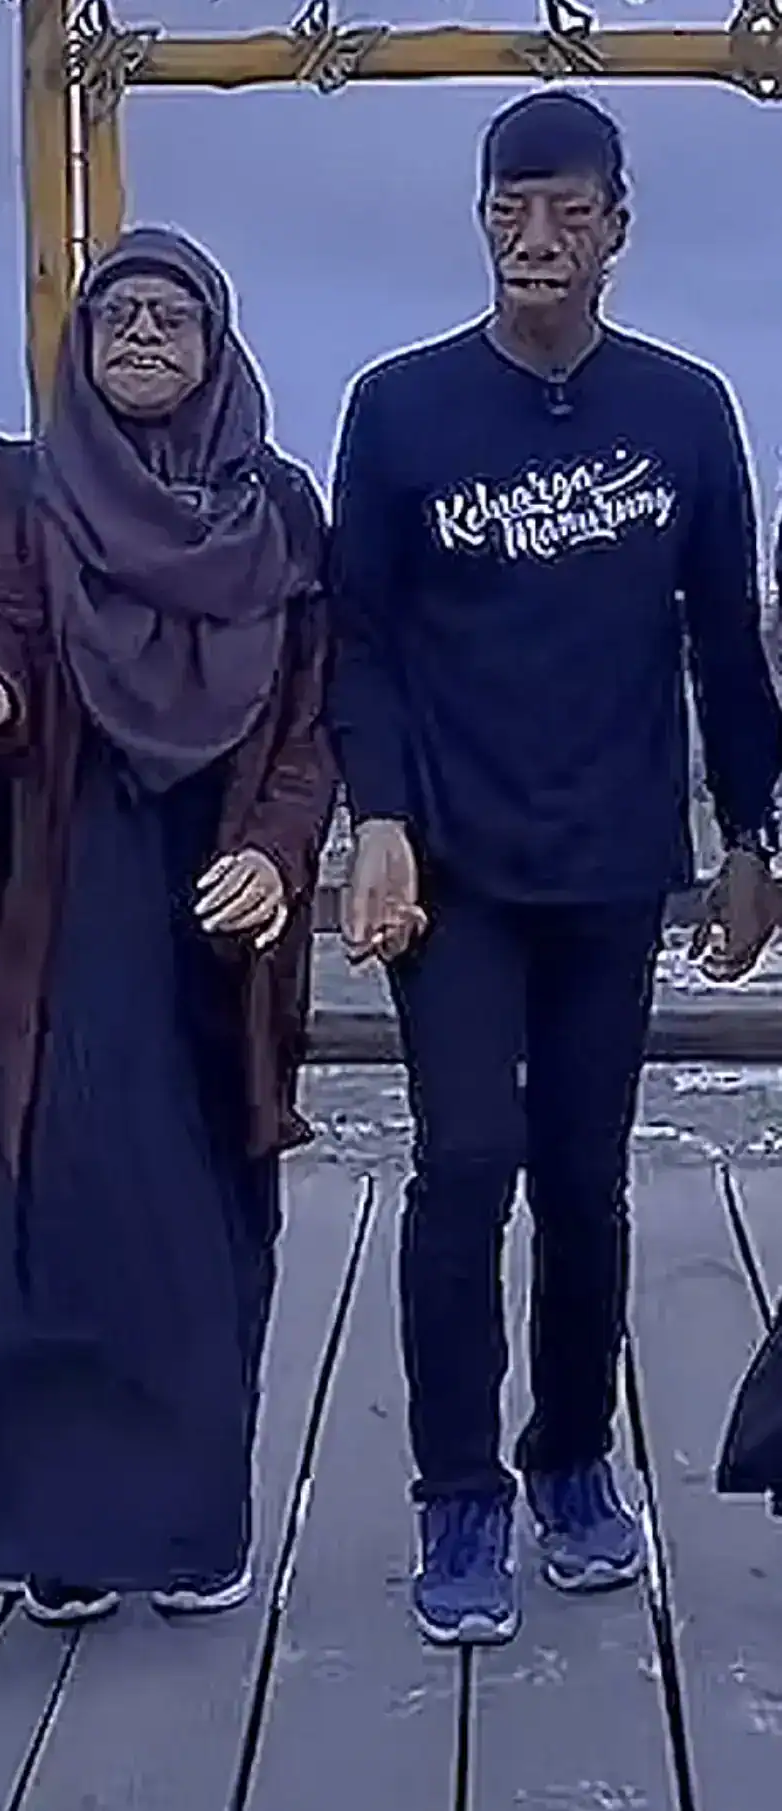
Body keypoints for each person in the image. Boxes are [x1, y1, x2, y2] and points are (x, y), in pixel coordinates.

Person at [328, 89, 782, 1647]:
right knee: (464, 1165)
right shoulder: (397, 408)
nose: (536, 239)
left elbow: (725, 643)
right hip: (450, 867)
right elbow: (358, 639)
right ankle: (458, 1491)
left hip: (612, 862)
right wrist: (376, 815)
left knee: (583, 1178)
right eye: (509, 209)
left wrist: (750, 837)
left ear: (614, 228)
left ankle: (573, 1458)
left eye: (567, 211)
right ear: (479, 220)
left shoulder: (685, 409)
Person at [0, 225, 335, 1629]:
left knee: (210, 1224)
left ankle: (188, 1529)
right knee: (65, 1205)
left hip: (222, 913)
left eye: (174, 319)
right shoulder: (17, 483)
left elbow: (313, 713)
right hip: (71, 896)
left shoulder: (278, 507)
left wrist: (277, 850)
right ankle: (42, 1529)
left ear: (217, 348)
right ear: (82, 345)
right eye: (119, 318)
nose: (144, 339)